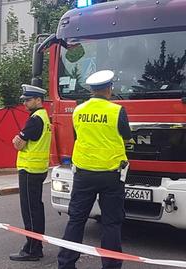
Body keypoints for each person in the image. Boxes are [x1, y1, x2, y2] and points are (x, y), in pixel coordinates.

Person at [57, 70, 132, 269]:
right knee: (111, 223)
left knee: (76, 220)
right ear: (109, 89)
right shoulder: (117, 111)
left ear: (91, 90)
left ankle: (65, 264)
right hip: (111, 175)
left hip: (84, 174)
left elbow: (78, 136)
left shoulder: (78, 110)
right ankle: (111, 265)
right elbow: (127, 137)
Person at [10, 84, 51, 262]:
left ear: (38, 100)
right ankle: (35, 244)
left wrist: (17, 140)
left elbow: (18, 143)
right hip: (38, 169)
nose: (25, 103)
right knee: (36, 208)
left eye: (28, 100)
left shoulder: (35, 119)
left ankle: (33, 249)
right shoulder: (44, 117)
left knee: (30, 210)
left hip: (29, 169)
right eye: (24, 100)